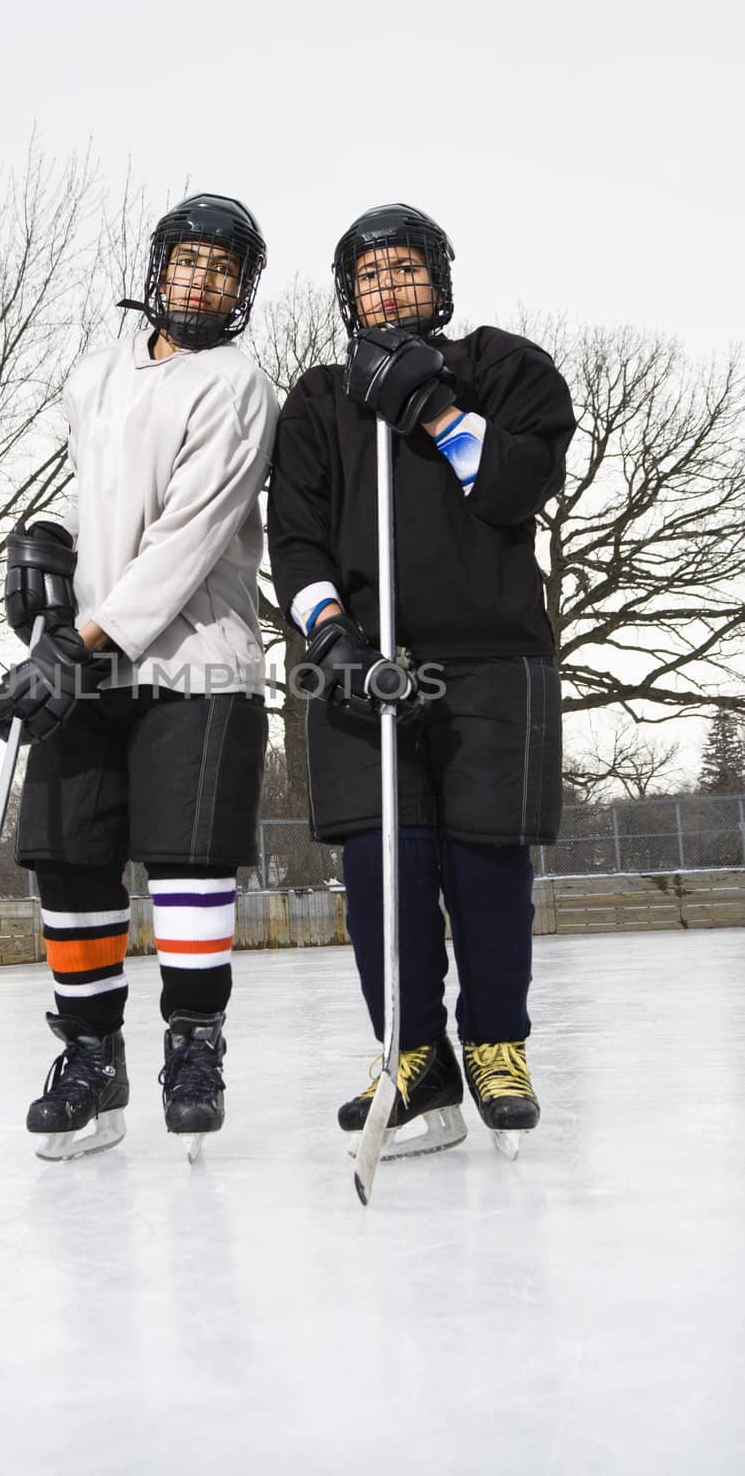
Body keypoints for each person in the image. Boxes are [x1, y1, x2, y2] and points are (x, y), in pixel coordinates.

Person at [267, 203, 575, 1158]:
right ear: (346, 294)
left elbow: (517, 488)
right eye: (370, 276)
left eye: (404, 270)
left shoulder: (504, 367)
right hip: (366, 665)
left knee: (487, 866)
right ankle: (412, 1055)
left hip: (492, 658)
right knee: (379, 869)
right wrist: (331, 638)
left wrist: (436, 412)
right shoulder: (319, 401)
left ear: (438, 280)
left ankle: (494, 1046)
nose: (387, 288)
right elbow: (297, 536)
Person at [0, 194, 279, 1160]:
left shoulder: (237, 385)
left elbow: (187, 537)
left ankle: (193, 1045)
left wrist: (81, 641)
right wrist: (53, 554)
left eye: (222, 270)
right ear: (157, 268)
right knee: (70, 856)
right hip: (88, 655)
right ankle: (89, 1052)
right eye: (188, 262)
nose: (201, 280)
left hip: (196, 658)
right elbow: (102, 505)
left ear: (242, 291)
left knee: (187, 862)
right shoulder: (93, 373)